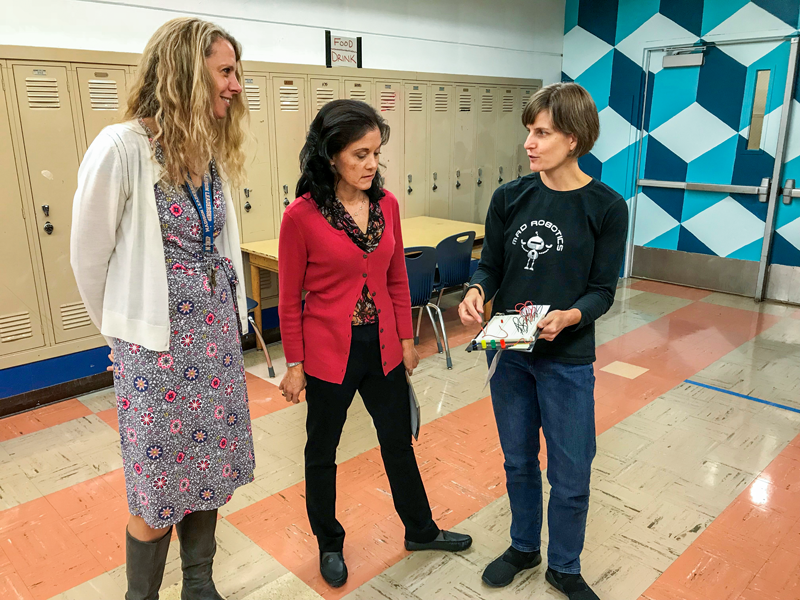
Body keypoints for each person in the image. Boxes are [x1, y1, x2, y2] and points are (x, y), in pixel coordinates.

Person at [70, 17, 254, 600]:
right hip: (156, 352)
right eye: (225, 72)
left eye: (237, 73)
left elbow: (221, 244)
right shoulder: (122, 147)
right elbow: (87, 257)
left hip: (216, 346)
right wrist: (121, 335)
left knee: (209, 477)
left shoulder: (209, 155)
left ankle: (199, 586)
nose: (236, 85)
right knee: (156, 492)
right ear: (184, 73)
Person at [278, 99, 472, 588]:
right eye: (360, 154)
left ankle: (421, 530)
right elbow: (287, 300)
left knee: (397, 443)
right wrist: (295, 363)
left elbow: (396, 279)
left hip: (383, 345)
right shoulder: (300, 217)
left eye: (375, 154)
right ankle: (329, 542)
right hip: (328, 353)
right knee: (322, 450)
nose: (371, 165)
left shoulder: (387, 206)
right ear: (330, 155)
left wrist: (408, 338)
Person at [458, 82, 628, 600]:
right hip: (509, 348)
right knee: (518, 461)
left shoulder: (606, 207)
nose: (529, 143)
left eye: (542, 133)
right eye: (528, 132)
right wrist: (476, 291)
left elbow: (603, 292)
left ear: (573, 139)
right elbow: (490, 265)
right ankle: (524, 547)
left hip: (567, 358)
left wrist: (572, 315)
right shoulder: (509, 197)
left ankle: (565, 566)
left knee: (572, 471)